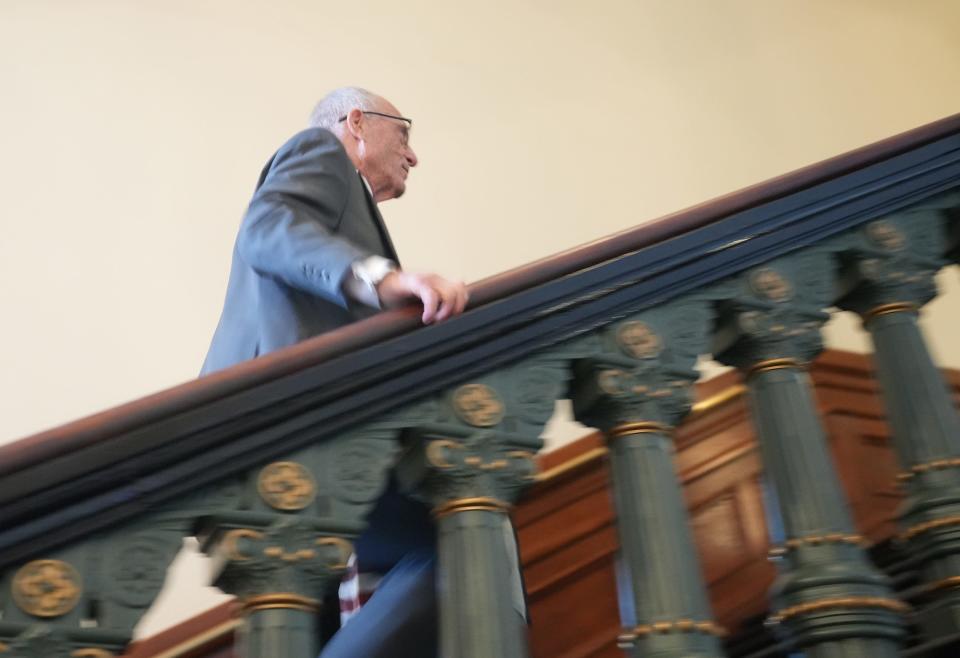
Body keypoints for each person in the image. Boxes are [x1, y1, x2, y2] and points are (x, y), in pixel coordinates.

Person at [202, 87, 467, 658]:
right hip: (290, 413)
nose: (413, 155)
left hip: (283, 423)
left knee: (311, 615)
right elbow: (268, 227)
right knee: (453, 551)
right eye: (404, 133)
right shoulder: (320, 152)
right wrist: (387, 280)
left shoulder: (344, 203)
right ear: (356, 123)